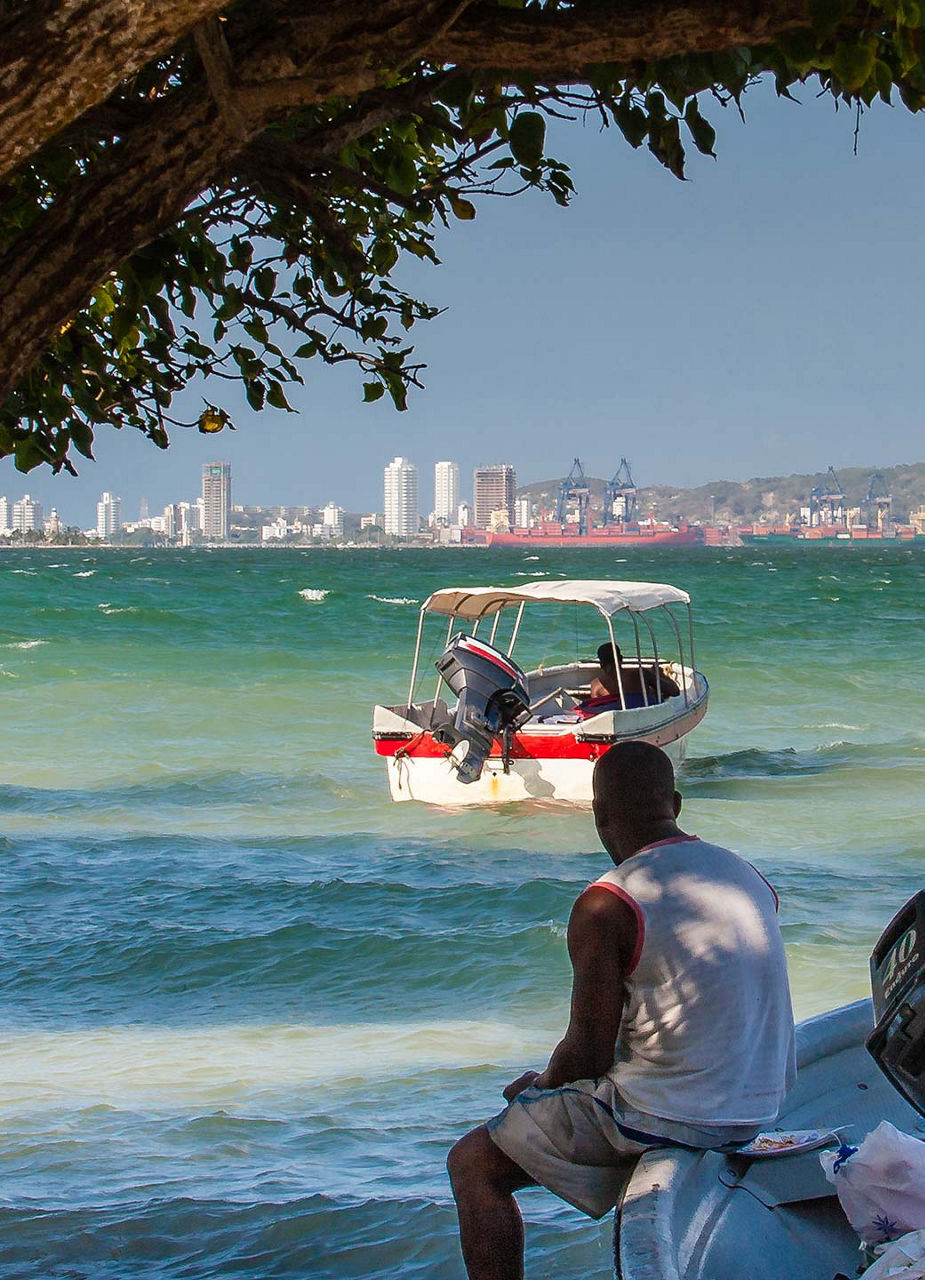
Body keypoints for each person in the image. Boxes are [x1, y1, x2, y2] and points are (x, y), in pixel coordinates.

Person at [447, 741, 795, 1280]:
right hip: (762, 1102)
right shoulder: (744, 874)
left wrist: (542, 1087)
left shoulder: (606, 903)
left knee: (473, 1164)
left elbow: (586, 1052)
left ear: (599, 815)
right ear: (675, 805)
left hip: (683, 1115)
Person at [585, 641, 680, 709]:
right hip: (641, 713)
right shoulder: (640, 673)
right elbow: (675, 691)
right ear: (621, 658)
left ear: (601, 664)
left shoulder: (596, 685)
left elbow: (596, 708)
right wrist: (659, 674)